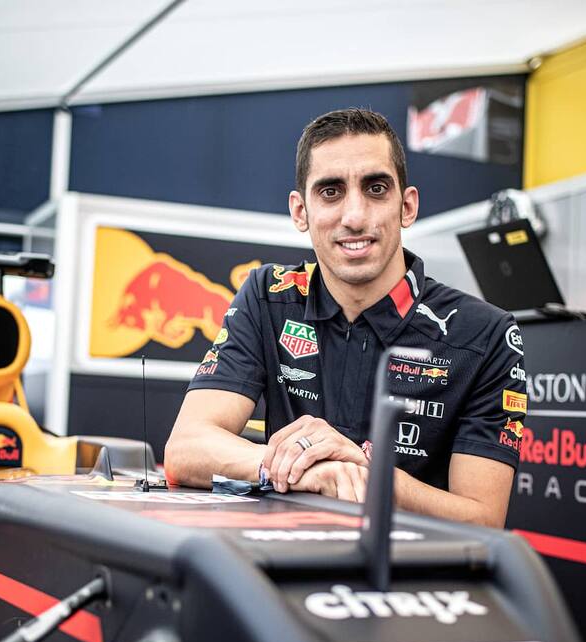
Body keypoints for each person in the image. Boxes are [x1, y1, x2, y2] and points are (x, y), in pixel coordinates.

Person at [164, 108, 527, 527]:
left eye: (375, 188)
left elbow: (484, 519)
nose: (354, 217)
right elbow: (185, 448)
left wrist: (369, 476)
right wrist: (308, 467)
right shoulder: (268, 296)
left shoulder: (485, 333)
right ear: (300, 212)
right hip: (281, 570)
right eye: (331, 192)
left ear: (406, 206)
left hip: (414, 582)